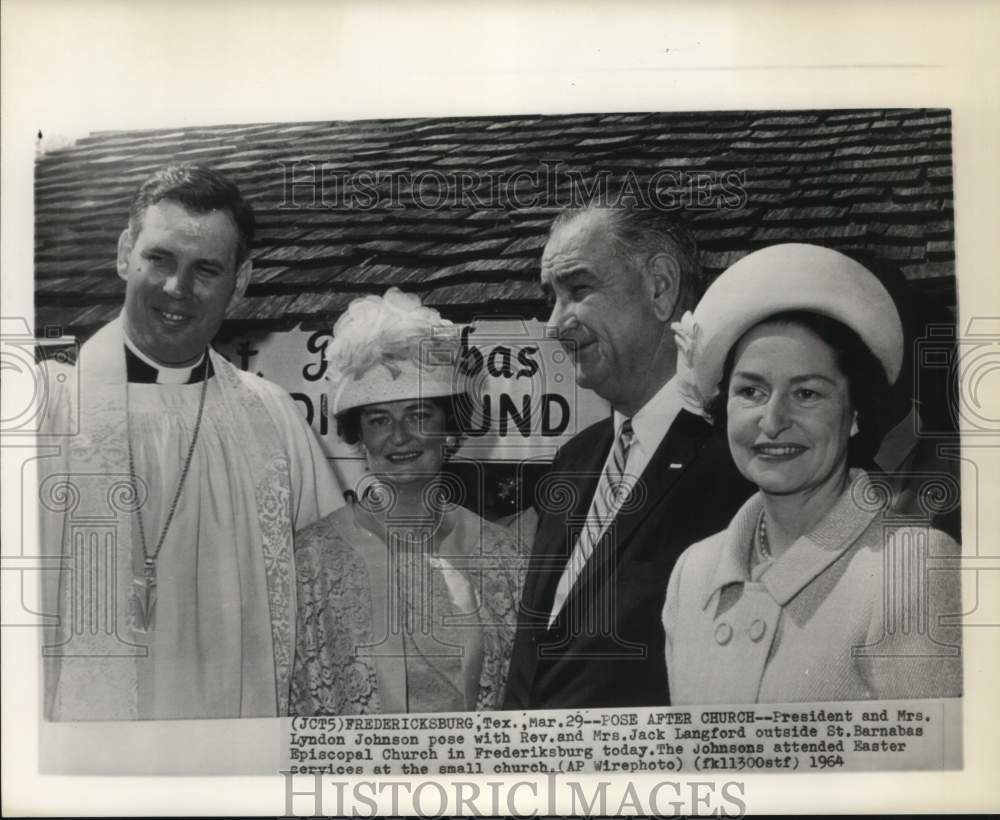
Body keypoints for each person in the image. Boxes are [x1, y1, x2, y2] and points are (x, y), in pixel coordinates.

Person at [38, 164, 342, 720]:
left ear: (241, 281)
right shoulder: (46, 412)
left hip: (232, 741)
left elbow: (332, 595)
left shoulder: (272, 419)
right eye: (159, 259)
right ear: (125, 252)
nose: (177, 288)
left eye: (206, 269)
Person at [661, 243, 962, 704]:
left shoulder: (914, 569)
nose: (772, 420)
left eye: (807, 394)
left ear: (855, 413)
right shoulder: (692, 573)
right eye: (751, 391)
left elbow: (934, 752)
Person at [504, 204, 753, 709]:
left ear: (660, 287)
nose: (554, 325)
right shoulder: (573, 461)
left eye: (578, 289)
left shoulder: (741, 464)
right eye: (552, 298)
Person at [289, 288, 524, 715]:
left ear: (448, 430)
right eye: (379, 420)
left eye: (419, 415)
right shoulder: (310, 562)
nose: (399, 436)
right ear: (359, 436)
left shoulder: (503, 557)